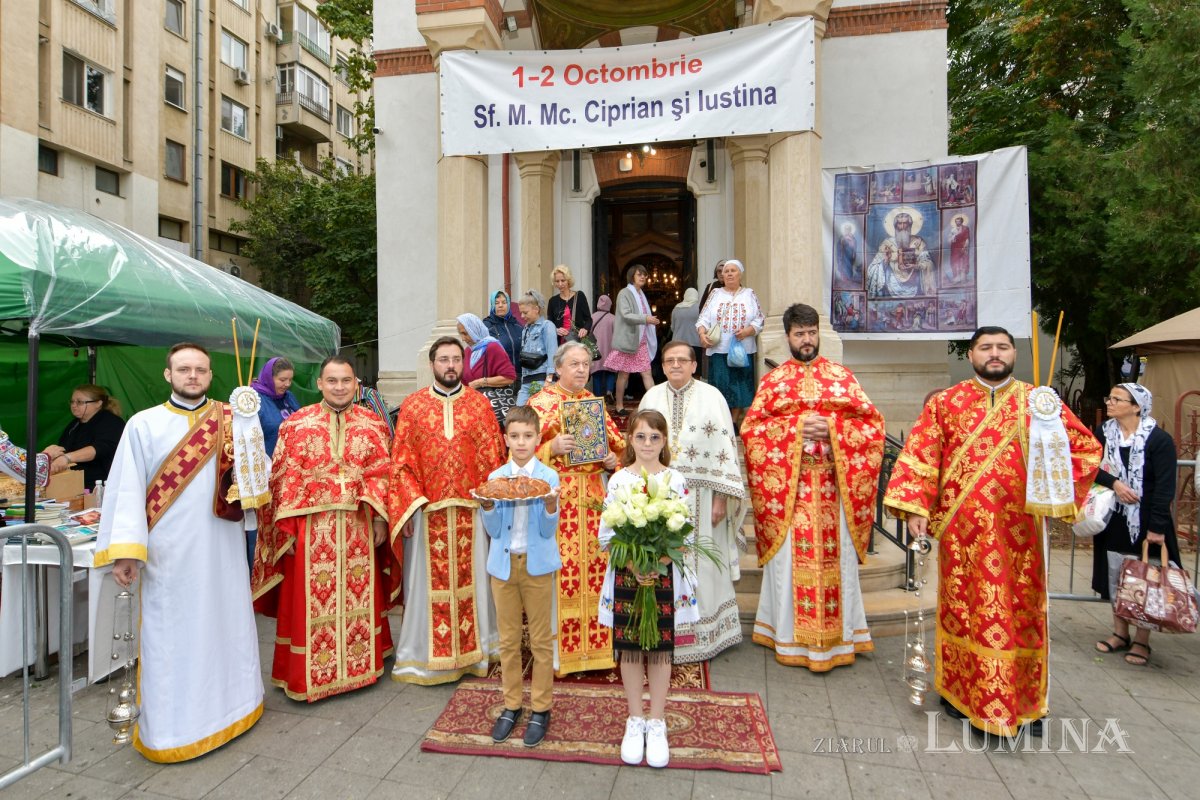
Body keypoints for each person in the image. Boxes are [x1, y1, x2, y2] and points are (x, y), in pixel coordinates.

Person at [884, 326, 1101, 737]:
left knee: (1018, 613)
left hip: (1020, 533)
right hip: (962, 535)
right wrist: (915, 506)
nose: (995, 353)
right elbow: (921, 453)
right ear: (972, 354)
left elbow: (1085, 450)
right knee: (963, 612)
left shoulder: (1039, 403)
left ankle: (1021, 701)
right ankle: (959, 692)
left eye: (1003, 347)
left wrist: (1056, 492)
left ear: (1013, 354)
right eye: (987, 347)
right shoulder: (946, 403)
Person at [93, 342, 262, 762]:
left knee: (227, 624)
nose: (192, 376)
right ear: (168, 375)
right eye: (184, 369)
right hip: (170, 553)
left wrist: (251, 440)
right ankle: (172, 730)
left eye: (200, 370)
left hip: (222, 547)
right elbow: (127, 489)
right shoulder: (142, 425)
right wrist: (127, 552)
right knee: (172, 636)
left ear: (210, 375)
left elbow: (258, 478)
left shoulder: (232, 419)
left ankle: (236, 708)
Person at [742, 305, 885, 671]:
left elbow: (873, 425)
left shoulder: (841, 376)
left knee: (838, 563)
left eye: (811, 332)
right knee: (788, 562)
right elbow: (752, 430)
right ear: (787, 337)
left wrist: (834, 430)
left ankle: (842, 638)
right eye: (799, 334)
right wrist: (794, 429)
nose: (806, 340)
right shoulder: (774, 381)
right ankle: (786, 635)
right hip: (790, 489)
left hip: (834, 488)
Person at [251, 356, 399, 701]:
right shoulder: (297, 425)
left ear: (356, 384)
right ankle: (313, 675)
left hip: (358, 527)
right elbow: (282, 478)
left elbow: (382, 473)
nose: (339, 387)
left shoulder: (373, 424)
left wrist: (379, 518)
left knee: (358, 593)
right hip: (311, 530)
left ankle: (359, 669)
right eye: (332, 381)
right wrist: (290, 532)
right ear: (319, 384)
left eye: (346, 381)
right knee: (311, 601)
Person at [388, 337, 507, 684]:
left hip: (471, 512)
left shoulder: (479, 405)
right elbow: (402, 462)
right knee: (427, 587)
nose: (451, 365)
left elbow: (493, 456)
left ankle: (478, 650)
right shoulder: (412, 406)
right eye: (444, 359)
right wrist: (410, 507)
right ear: (432, 364)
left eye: (456, 359)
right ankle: (422, 657)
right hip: (429, 513)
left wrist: (490, 502)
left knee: (476, 586)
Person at [598, 410, 695, 769]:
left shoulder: (676, 480)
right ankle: (634, 719)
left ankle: (656, 721)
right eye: (641, 437)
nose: (648, 444)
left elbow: (685, 535)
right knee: (631, 649)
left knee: (658, 650)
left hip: (663, 575)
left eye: (655, 437)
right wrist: (634, 566)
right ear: (629, 440)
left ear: (665, 441)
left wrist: (657, 565)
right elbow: (608, 536)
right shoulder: (619, 481)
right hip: (628, 574)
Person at [639, 341, 746, 662]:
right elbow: (638, 445)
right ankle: (662, 630)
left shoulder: (713, 398)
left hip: (703, 499)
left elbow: (726, 454)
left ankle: (708, 633)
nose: (675, 366)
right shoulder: (651, 397)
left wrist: (723, 500)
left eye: (682, 360)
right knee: (663, 565)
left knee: (704, 564)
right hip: (659, 496)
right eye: (669, 360)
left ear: (694, 365)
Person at [529, 342, 624, 675]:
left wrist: (614, 460)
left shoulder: (593, 403)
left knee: (597, 571)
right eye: (574, 364)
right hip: (557, 500)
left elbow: (617, 446)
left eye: (585, 364)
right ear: (558, 368)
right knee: (561, 573)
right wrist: (549, 448)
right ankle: (559, 654)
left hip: (595, 499)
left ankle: (597, 649)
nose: (582, 370)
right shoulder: (540, 404)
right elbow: (519, 452)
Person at [478, 406, 561, 747]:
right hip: (503, 566)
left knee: (541, 641)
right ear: (506, 439)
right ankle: (512, 704)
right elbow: (496, 530)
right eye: (515, 436)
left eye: (528, 436)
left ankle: (541, 707)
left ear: (538, 438)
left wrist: (551, 506)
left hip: (537, 566)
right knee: (509, 642)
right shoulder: (497, 477)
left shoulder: (548, 477)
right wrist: (485, 507)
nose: (522, 442)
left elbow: (545, 530)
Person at [1091, 383, 1179, 667]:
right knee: (1117, 574)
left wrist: (1157, 527)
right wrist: (1114, 483)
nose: (1110, 402)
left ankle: (1142, 639)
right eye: (1110, 397)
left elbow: (1165, 487)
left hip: (1146, 520)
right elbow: (1091, 465)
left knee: (1146, 577)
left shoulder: (1159, 440)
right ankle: (1119, 633)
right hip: (1114, 516)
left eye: (1117, 399)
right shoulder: (1104, 433)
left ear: (1137, 406)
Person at [696, 259, 764, 428]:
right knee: (720, 386)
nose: (729, 274)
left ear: (740, 274)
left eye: (733, 270)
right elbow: (703, 318)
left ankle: (733, 423)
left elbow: (760, 318)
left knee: (740, 387)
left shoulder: (749, 294)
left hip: (742, 350)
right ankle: (722, 421)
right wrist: (702, 334)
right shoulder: (715, 294)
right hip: (719, 349)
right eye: (726, 271)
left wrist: (748, 331)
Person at [43, 384, 125, 490]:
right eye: (72, 402)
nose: (74, 405)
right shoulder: (73, 425)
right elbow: (63, 448)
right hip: (73, 486)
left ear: (98, 403)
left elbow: (100, 448)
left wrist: (67, 458)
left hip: (102, 487)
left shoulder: (111, 422)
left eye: (80, 402)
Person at [604, 264, 660, 416]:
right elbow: (626, 314)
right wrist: (646, 319)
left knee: (647, 374)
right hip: (629, 342)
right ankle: (619, 405)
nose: (643, 277)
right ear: (632, 277)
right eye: (639, 274)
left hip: (641, 342)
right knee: (624, 374)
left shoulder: (641, 293)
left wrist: (647, 320)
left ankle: (656, 406)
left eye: (644, 275)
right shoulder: (624, 293)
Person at [457, 312, 517, 426]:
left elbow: (509, 377)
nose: (463, 338)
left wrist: (480, 382)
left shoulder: (492, 347)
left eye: (465, 333)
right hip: (472, 411)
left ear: (474, 329)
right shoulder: (468, 351)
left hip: (491, 411)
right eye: (461, 334)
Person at [866, 209, 936, 298]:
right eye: (899, 223)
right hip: (892, 281)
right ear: (895, 226)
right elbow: (874, 267)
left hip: (914, 279)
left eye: (905, 223)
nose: (902, 226)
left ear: (910, 225)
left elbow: (928, 263)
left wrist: (916, 266)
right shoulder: (887, 243)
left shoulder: (918, 242)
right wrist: (886, 261)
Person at [251, 357, 300, 458]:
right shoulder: (254, 399)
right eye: (282, 380)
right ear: (269, 377)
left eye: (290, 380)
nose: (287, 384)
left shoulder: (288, 396)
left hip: (290, 461)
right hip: (267, 464)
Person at [516, 291, 559, 406]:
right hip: (526, 381)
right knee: (519, 414)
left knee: (541, 417)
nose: (522, 316)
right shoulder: (525, 328)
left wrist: (549, 380)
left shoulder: (547, 326)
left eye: (525, 312)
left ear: (536, 309)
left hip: (542, 379)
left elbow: (553, 353)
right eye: (521, 313)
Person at [546, 264, 592, 346]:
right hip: (560, 343)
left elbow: (588, 319)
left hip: (577, 341)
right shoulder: (552, 301)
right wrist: (556, 330)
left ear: (568, 280)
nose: (560, 284)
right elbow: (549, 324)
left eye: (563, 280)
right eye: (557, 281)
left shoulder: (579, 296)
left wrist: (585, 329)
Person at [484, 289, 525, 375]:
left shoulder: (517, 325)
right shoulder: (487, 326)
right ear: (492, 305)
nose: (500, 306)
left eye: (504, 302)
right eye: (497, 303)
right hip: (498, 377)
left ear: (508, 304)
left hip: (519, 376)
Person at [589, 294, 616, 400]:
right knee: (610, 372)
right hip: (610, 350)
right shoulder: (613, 318)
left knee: (597, 374)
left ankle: (598, 397)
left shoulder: (592, 317)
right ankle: (609, 391)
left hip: (596, 352)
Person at [668, 288, 703, 367]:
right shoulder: (699, 308)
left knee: (680, 368)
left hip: (678, 344)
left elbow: (672, 328)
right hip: (695, 344)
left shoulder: (676, 309)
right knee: (694, 369)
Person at [947, 215, 972, 285]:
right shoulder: (953, 230)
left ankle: (963, 278)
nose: (957, 222)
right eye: (956, 221)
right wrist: (952, 238)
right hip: (954, 248)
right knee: (955, 262)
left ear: (961, 222)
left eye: (959, 221)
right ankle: (956, 278)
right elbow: (949, 240)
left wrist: (965, 246)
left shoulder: (965, 228)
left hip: (962, 247)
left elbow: (967, 238)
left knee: (963, 262)